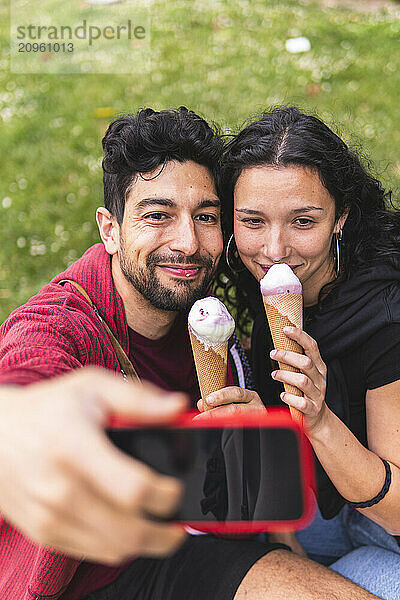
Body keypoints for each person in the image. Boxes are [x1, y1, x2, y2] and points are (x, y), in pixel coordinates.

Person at [0, 106, 381, 600]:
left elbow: (231, 496)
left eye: (205, 217)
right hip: (77, 578)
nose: (188, 243)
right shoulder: (62, 326)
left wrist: (253, 448)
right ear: (110, 229)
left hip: (184, 551)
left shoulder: (206, 319)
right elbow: (22, 379)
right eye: (157, 216)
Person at [201, 106, 400, 599]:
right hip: (331, 510)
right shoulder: (270, 289)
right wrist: (265, 429)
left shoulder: (387, 316)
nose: (276, 248)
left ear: (341, 217)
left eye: (303, 221)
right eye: (252, 221)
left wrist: (319, 419)